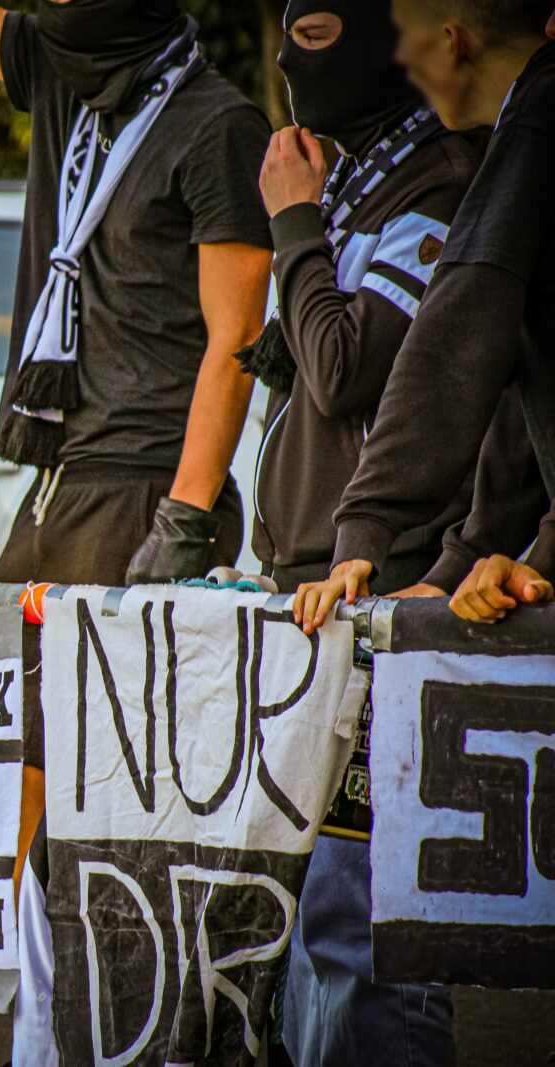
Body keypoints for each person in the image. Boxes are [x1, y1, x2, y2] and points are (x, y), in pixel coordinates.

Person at [0, 3, 272, 1063]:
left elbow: (235, 338)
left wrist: (184, 514)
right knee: (3, 763)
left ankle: (102, 1031)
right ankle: (38, 1024)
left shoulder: (215, 126)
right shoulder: (61, 76)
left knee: (84, 797)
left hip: (138, 489)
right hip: (52, 477)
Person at [244, 3, 494, 1061]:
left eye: (322, 28)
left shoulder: (435, 184)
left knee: (362, 925)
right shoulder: (355, 182)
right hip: (307, 589)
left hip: (387, 591)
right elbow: (293, 368)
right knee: (294, 921)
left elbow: (350, 367)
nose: (298, 59)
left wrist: (293, 221)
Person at [293, 0, 555, 634]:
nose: (401, 61)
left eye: (404, 38)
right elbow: (530, 378)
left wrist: (365, 530)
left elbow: (456, 339)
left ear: (449, 42)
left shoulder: (540, 117)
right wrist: (461, 563)